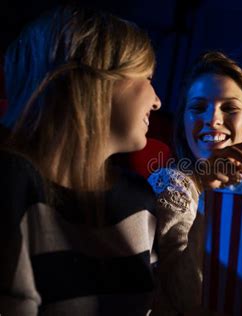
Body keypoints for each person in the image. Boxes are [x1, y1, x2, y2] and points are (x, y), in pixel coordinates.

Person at [0, 6, 162, 315]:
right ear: (98, 82)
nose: (157, 101)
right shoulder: (13, 184)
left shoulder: (139, 199)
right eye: (148, 76)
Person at [147, 51, 242, 315]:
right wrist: (212, 199)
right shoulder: (171, 185)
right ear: (183, 122)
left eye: (229, 108)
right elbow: (186, 298)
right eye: (198, 107)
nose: (213, 119)